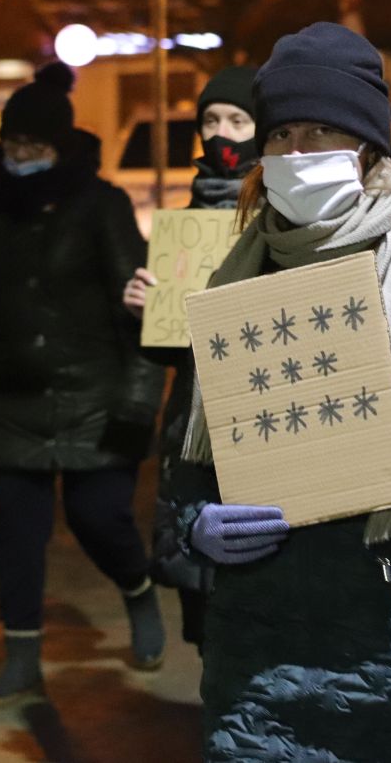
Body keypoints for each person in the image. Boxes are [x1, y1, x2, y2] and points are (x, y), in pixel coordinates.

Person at [127, 22, 391, 761]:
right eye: (281, 134)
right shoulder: (235, 275)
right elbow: (191, 450)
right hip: (258, 663)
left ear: (368, 146)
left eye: (321, 131)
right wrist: (196, 524)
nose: (296, 154)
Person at [0, 62, 167, 709]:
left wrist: (140, 400)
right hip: (10, 401)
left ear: (60, 145)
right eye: (13, 146)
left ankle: (139, 590)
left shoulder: (102, 204)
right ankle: (22, 659)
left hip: (96, 398)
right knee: (18, 537)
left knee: (98, 517)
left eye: (34, 147)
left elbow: (142, 308)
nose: (22, 157)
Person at [123, 66, 260, 651]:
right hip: (192, 432)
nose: (221, 133)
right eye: (210, 121)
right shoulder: (184, 221)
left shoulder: (284, 221)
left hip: (260, 428)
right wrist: (146, 311)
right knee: (207, 620)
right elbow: (174, 349)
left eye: (237, 120)